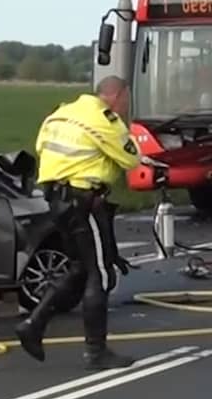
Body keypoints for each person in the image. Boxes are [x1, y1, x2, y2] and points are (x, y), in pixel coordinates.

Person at [15, 76, 140, 370]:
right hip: (85, 202)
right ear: (118, 96)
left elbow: (41, 148)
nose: (126, 106)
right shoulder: (104, 119)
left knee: (78, 267)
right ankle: (96, 352)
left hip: (56, 201)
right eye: (126, 100)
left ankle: (34, 323)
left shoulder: (60, 114)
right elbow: (131, 160)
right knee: (101, 274)